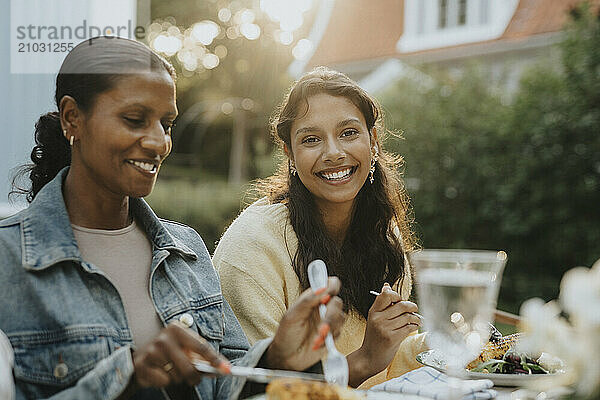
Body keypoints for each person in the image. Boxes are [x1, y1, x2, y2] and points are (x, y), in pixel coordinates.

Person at [0, 37, 344, 400]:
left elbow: (224, 381)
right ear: (73, 118)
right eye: (135, 120)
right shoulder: (7, 259)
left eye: (166, 124)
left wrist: (278, 357)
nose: (158, 142)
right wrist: (127, 378)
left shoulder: (187, 251)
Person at [213, 67, 428, 389]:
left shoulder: (384, 233)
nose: (334, 153)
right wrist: (365, 358)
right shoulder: (251, 249)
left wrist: (450, 341)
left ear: (373, 141)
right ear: (290, 153)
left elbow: (392, 365)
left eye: (349, 133)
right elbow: (261, 389)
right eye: (311, 139)